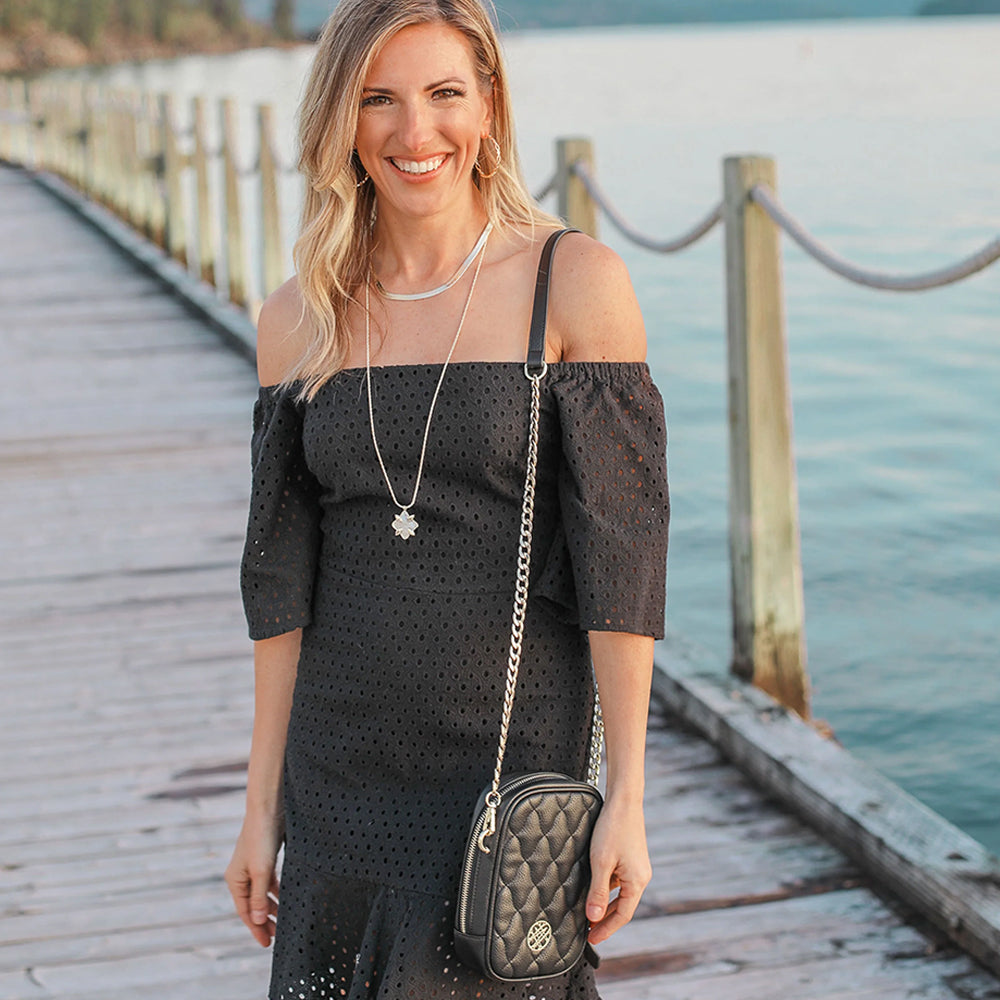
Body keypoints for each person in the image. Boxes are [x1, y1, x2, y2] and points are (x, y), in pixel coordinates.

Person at [225, 1, 669, 997]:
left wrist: (629, 796)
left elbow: (623, 570)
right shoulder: (299, 318)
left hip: (510, 764)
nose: (414, 130)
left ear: (489, 105)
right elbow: (279, 586)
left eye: (443, 93)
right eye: (377, 99)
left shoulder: (574, 283)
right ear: (340, 119)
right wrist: (260, 808)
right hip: (340, 770)